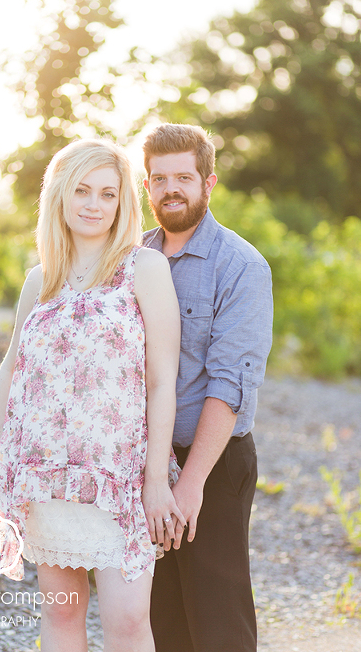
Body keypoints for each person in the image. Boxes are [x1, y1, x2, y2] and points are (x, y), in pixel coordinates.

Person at [0, 138, 185, 652]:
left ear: (123, 203)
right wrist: (2, 473)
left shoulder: (144, 270)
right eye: (82, 190)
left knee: (129, 621)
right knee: (62, 618)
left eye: (108, 193)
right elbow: (11, 374)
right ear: (60, 197)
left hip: (119, 481)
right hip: (45, 478)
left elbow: (163, 379)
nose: (94, 204)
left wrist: (156, 480)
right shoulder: (40, 279)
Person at [142, 123, 273, 652]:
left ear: (208, 183)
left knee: (217, 621)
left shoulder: (240, 266)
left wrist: (189, 483)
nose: (171, 188)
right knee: (162, 618)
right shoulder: (133, 256)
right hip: (148, 462)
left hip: (212, 464)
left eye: (183, 177)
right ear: (146, 186)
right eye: (159, 178)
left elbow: (230, 384)